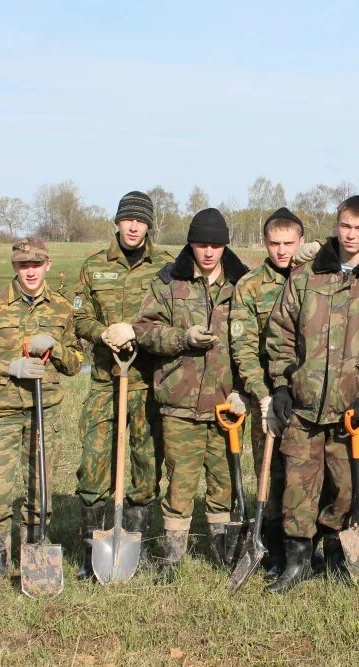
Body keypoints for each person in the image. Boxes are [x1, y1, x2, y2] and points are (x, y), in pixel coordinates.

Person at [265, 195, 359, 593]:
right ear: (337, 224)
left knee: (345, 492)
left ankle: (336, 557)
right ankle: (296, 563)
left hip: (350, 413)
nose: (351, 234)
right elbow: (281, 332)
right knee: (297, 489)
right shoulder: (307, 274)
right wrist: (281, 383)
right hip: (304, 408)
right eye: (346, 225)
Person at [134, 208, 249, 581]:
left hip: (225, 403)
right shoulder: (169, 281)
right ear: (191, 244)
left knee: (223, 481)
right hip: (179, 402)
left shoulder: (242, 284)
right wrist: (182, 338)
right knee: (180, 481)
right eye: (201, 244)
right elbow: (145, 330)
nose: (209, 252)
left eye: (216, 245)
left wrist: (243, 392)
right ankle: (172, 557)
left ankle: (223, 551)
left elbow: (258, 341)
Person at [0, 238, 84, 583]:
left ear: (47, 264)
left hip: (44, 409)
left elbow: (76, 363)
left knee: (39, 489)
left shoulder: (61, 308)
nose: (30, 271)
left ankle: (34, 553)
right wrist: (9, 367)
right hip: (0, 410)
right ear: (15, 267)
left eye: (36, 264)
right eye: (23, 265)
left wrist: (57, 348)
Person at [71, 191, 174, 579]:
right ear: (117, 222)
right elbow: (78, 319)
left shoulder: (165, 267)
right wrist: (103, 334)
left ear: (149, 225)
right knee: (93, 467)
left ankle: (138, 546)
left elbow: (172, 318)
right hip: (104, 383)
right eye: (127, 219)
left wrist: (141, 335)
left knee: (147, 466)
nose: (133, 227)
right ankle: (91, 551)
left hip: (147, 383)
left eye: (141, 220)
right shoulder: (94, 266)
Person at [229, 207, 305, 579]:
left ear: (301, 242)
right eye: (275, 243)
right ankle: (274, 550)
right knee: (271, 473)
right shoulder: (250, 286)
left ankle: (307, 550)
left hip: (309, 395)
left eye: (289, 243)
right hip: (269, 395)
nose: (282, 251)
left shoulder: (316, 279)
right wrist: (262, 395)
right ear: (265, 243)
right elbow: (242, 348)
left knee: (307, 475)